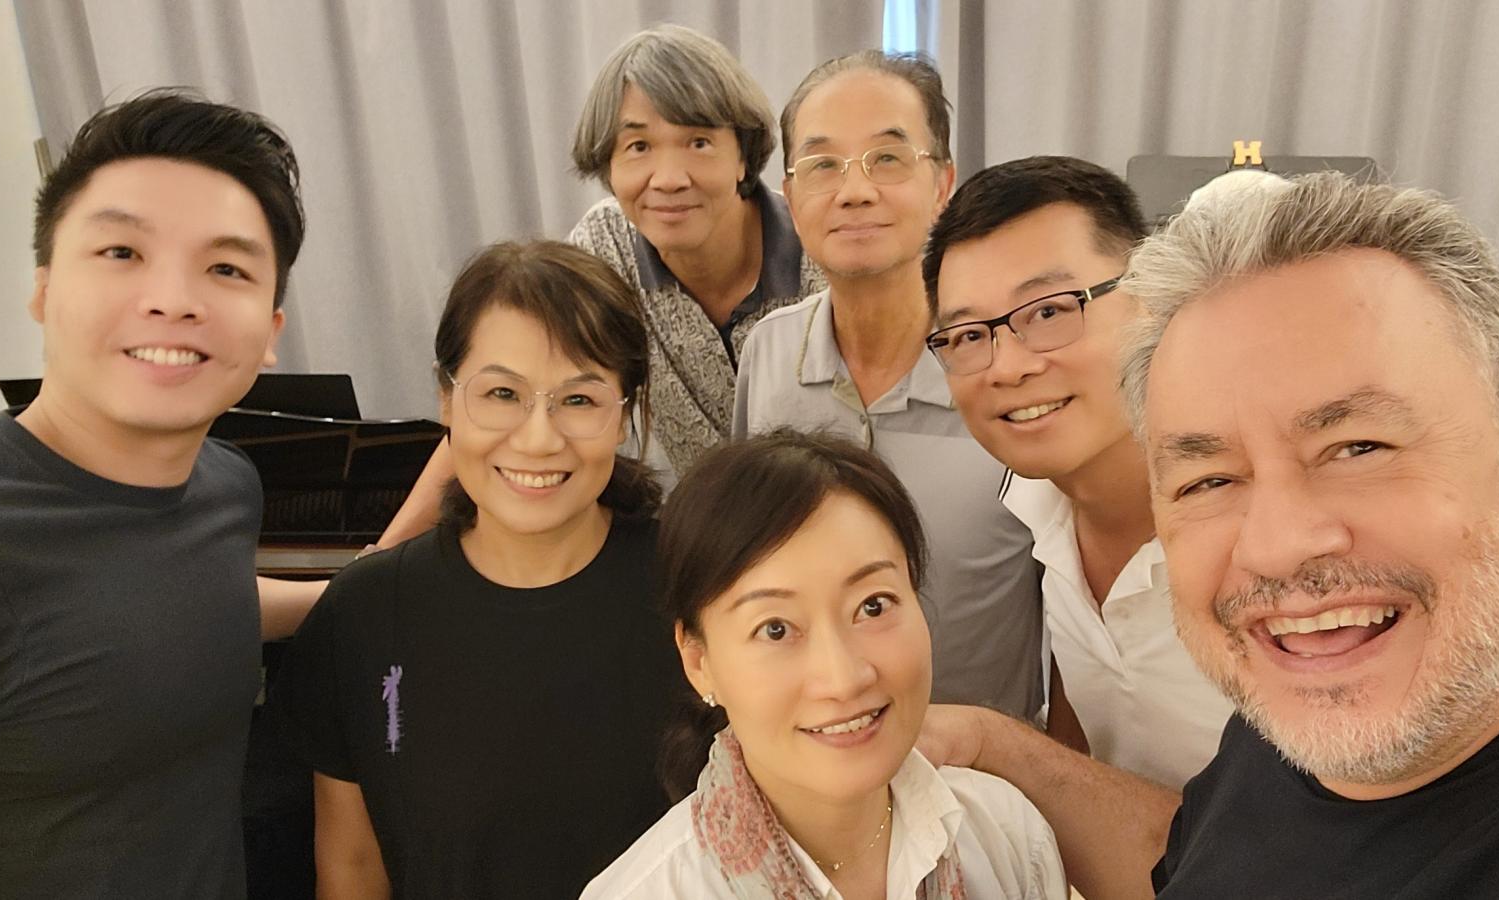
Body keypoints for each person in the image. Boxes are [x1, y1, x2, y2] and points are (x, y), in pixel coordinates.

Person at [921, 171, 1499, 898]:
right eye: (1210, 479)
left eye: (1357, 447)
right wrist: (987, 746)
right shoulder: (1281, 728)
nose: (1275, 547)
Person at [0, 89, 304, 898]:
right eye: (122, 252)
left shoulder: (226, 484)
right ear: (43, 291)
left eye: (225, 268)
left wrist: (380, 585)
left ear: (270, 332)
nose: (173, 299)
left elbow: (171, 597)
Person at [267, 241, 683, 898]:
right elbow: (353, 868)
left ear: (623, 413)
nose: (538, 438)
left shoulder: (697, 590)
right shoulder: (364, 614)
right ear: (446, 399)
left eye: (579, 400)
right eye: (501, 394)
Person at [373, 24, 824, 548]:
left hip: (822, 532)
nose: (668, 178)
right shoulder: (604, 244)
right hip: (698, 546)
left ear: (744, 154)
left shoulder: (821, 250)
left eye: (699, 142)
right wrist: (380, 556)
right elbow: (498, 397)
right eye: (638, 146)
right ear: (608, 163)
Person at [583, 430, 1064, 899]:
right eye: (776, 629)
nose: (844, 678)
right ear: (699, 661)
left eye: (873, 606)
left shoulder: (1007, 835)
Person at [733, 51, 1044, 722]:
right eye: (822, 165)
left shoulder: (1009, 370)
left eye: (888, 159)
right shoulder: (768, 353)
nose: (855, 191)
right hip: (813, 748)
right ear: (790, 197)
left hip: (986, 772)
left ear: (942, 184)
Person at [920, 156, 1234, 790]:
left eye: (1048, 312)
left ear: (1151, 297)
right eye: (969, 335)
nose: (1007, 367)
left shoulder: (1258, 539)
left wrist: (994, 745)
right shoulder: (1035, 506)